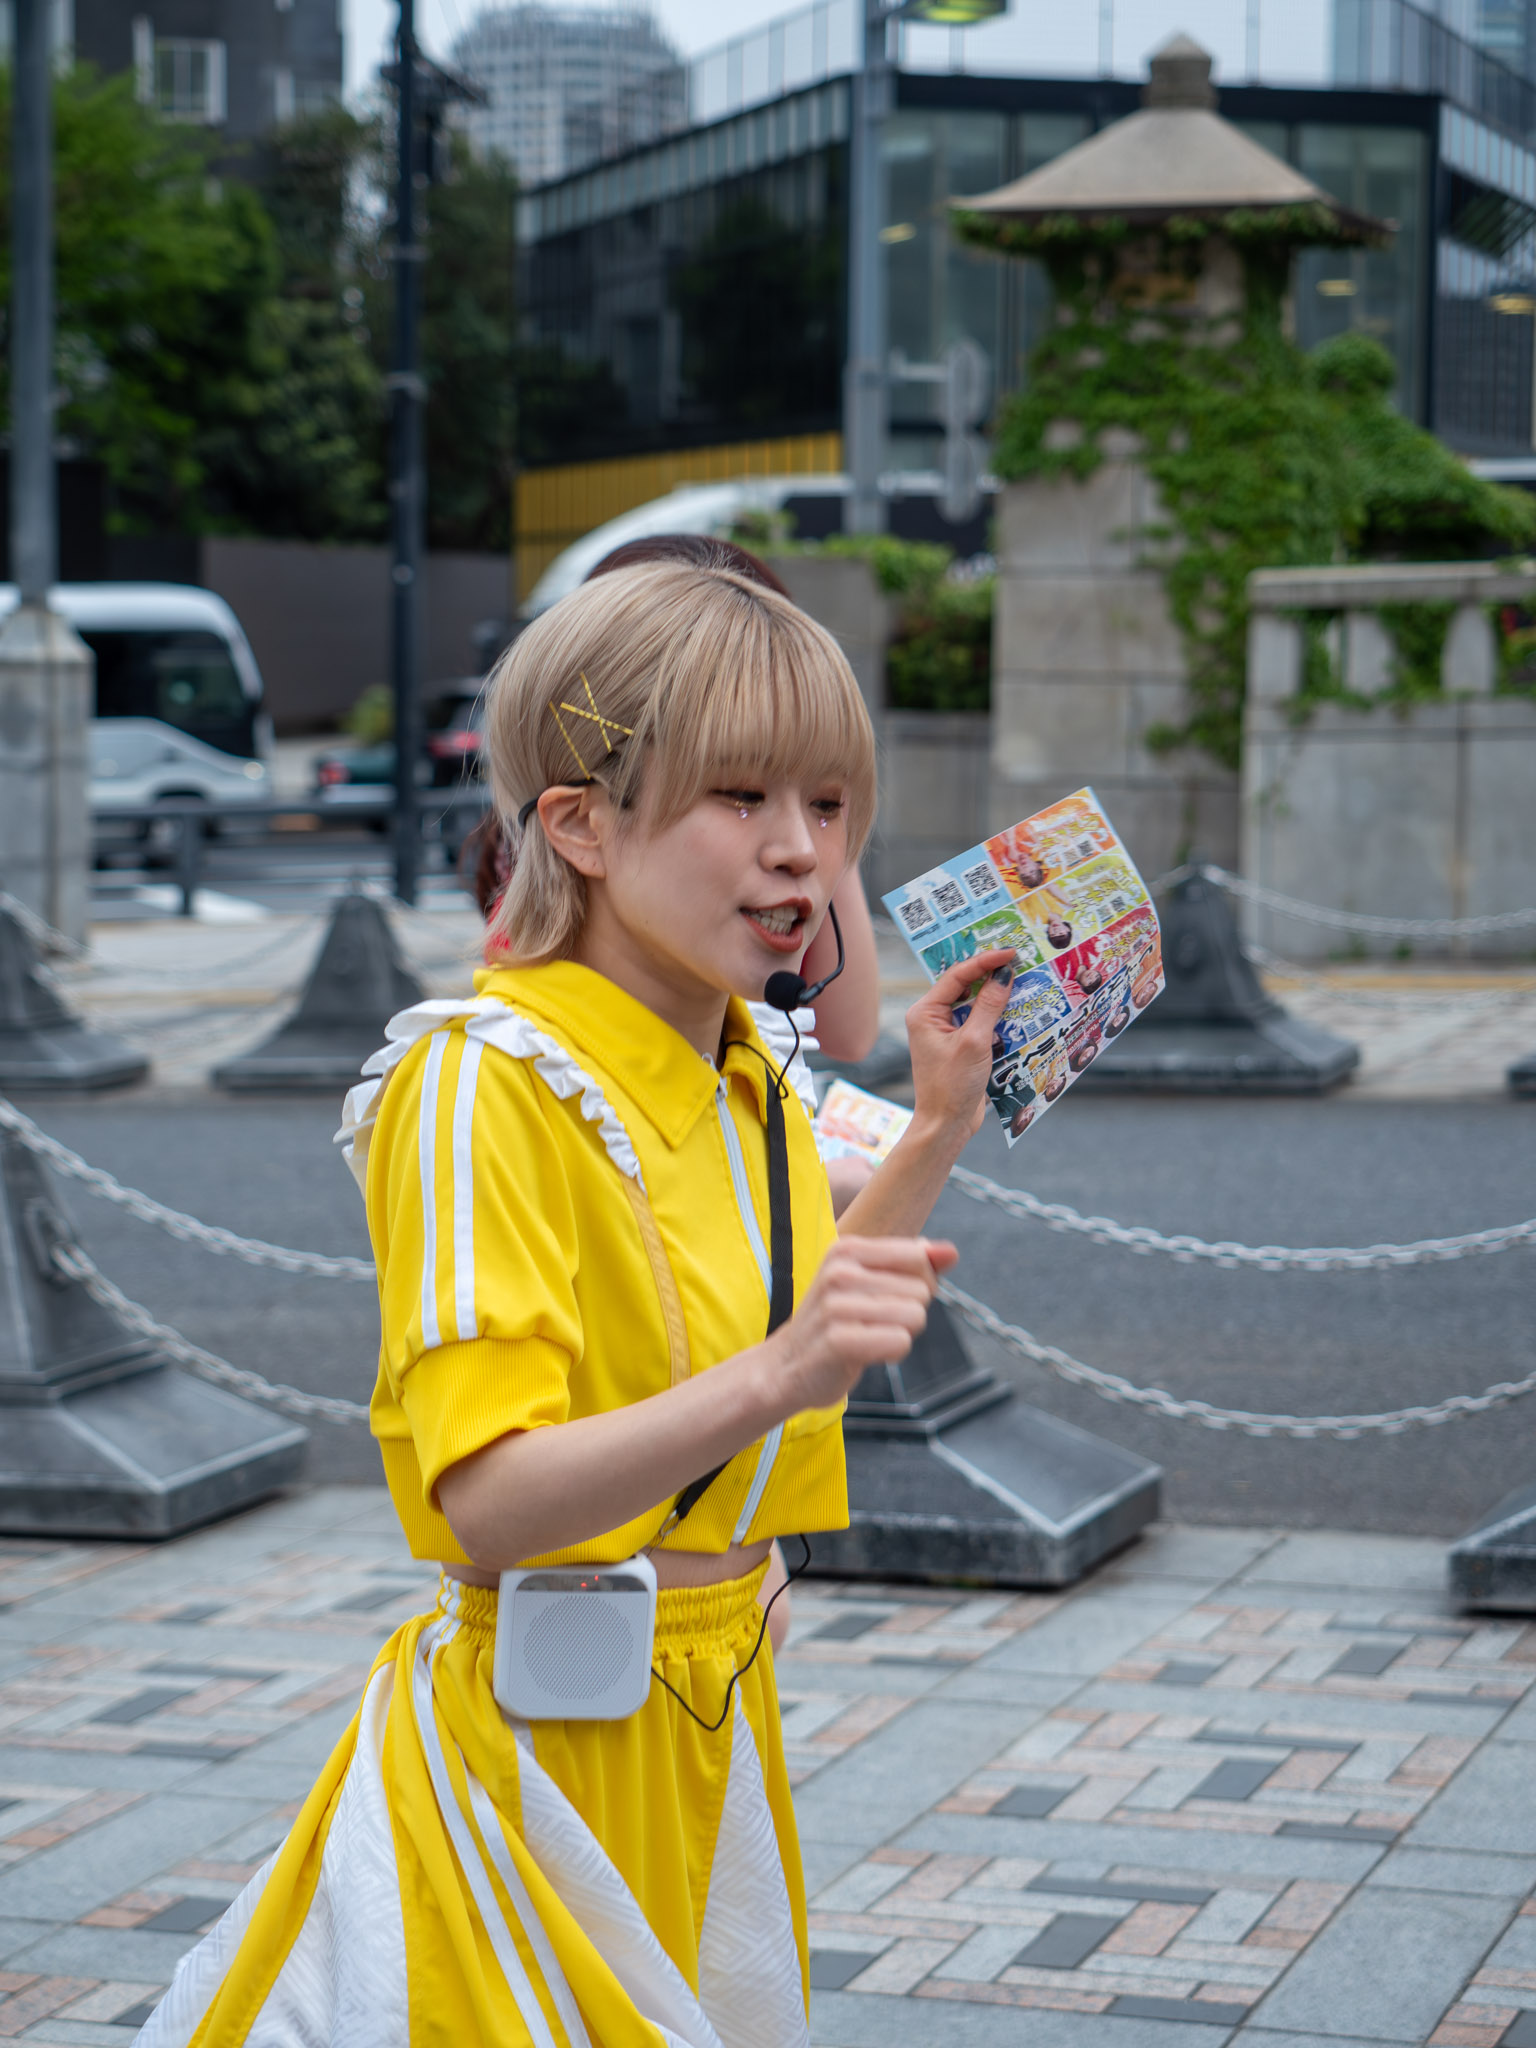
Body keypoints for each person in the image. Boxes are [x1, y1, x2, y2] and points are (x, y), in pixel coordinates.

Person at [138, 559, 1014, 2048]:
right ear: (580, 824)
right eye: (740, 798)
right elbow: (488, 1495)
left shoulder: (745, 1067)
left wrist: (933, 1128)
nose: (802, 855)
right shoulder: (481, 1081)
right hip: (535, 1764)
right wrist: (778, 1375)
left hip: (710, 1719)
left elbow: (797, 1349)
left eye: (827, 804)